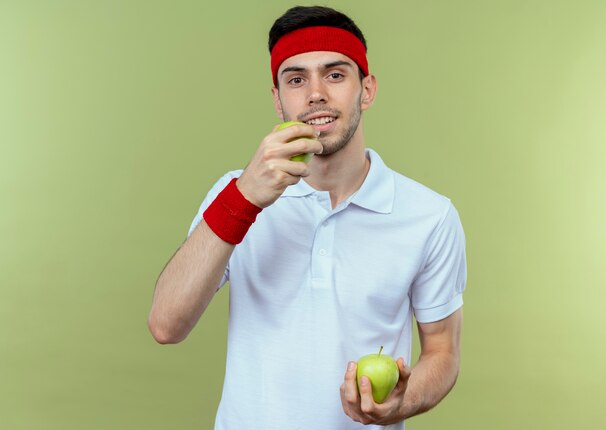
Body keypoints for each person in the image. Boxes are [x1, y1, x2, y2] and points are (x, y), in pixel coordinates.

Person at [148, 5, 467, 430]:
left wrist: (402, 402)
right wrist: (246, 198)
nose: (315, 93)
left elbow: (442, 352)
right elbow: (166, 324)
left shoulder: (429, 215)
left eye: (335, 74)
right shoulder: (235, 193)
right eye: (296, 79)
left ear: (366, 90)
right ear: (278, 99)